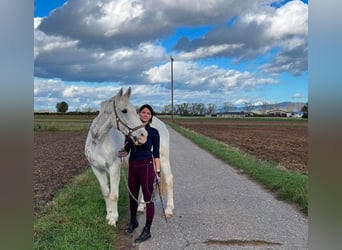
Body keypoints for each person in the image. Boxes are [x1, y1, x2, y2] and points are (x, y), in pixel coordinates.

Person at [118, 104, 161, 243]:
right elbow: (127, 150)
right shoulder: (130, 132)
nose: (145, 115)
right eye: (143, 112)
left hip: (147, 167)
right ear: (139, 114)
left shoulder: (154, 132)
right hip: (133, 166)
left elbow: (156, 153)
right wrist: (123, 152)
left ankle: (147, 229)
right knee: (133, 197)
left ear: (151, 116)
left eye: (148, 113)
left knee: (148, 199)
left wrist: (158, 172)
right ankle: (133, 222)